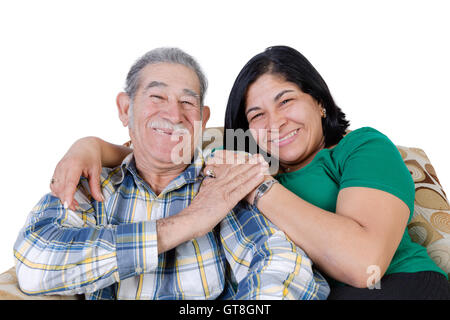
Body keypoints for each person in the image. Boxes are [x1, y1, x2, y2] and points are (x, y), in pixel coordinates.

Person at [48, 46, 450, 300]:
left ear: (319, 102)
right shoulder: (236, 156)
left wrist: (259, 186)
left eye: (286, 101)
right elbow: (163, 144)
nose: (274, 123)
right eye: (257, 114)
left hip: (398, 286)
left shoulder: (360, 147)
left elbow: (365, 265)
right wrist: (91, 146)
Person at [13, 47, 330, 300]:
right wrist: (190, 221)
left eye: (187, 103)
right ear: (125, 109)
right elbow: (34, 264)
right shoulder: (93, 186)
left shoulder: (224, 181)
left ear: (203, 120)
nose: (173, 114)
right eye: (157, 96)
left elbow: (283, 265)